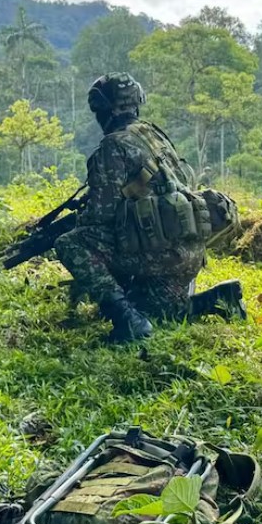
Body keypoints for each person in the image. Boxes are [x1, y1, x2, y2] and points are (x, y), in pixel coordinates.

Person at [55, 73, 244, 343]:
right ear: (136, 103)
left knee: (70, 243)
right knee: (158, 312)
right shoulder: (154, 136)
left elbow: (100, 215)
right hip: (189, 252)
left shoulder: (113, 145)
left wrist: (78, 226)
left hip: (158, 253)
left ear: (101, 109)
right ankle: (221, 297)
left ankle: (128, 323)